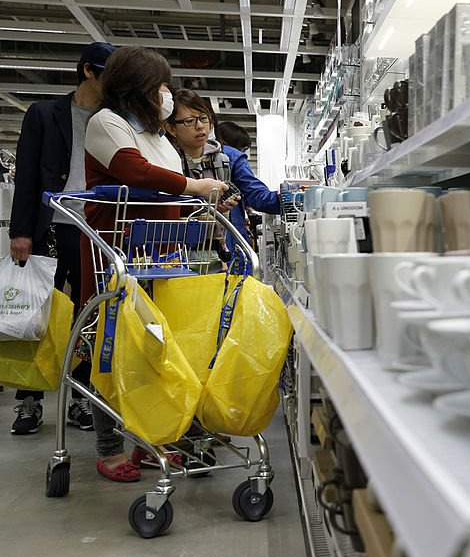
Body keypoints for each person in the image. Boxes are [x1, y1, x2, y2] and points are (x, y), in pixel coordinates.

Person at [83, 46, 228, 482]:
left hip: (161, 255)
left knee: (154, 348)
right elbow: (135, 172)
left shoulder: (160, 136)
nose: (166, 95)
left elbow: (172, 193)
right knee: (111, 347)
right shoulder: (105, 123)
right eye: (161, 86)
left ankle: (152, 438)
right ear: (140, 88)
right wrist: (194, 183)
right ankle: (108, 446)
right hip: (117, 253)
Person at [7, 41, 116, 435]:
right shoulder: (44, 114)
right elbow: (27, 177)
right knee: (35, 316)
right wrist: (20, 231)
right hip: (50, 225)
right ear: (89, 71)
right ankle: (29, 402)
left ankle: (81, 398)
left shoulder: (114, 120)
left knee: (89, 316)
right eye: (109, 74)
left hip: (96, 229)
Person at [166, 95, 281, 265]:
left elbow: (257, 195)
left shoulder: (228, 158)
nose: (199, 126)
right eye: (189, 121)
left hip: (227, 250)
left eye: (204, 118)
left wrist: (287, 198)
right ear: (171, 128)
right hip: (175, 253)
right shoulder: (164, 159)